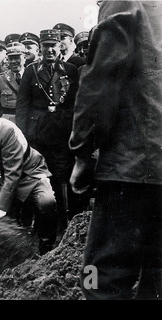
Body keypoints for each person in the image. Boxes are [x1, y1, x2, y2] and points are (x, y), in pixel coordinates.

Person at [69, 0, 162, 300]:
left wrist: (83, 152)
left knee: (100, 276)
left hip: (133, 165)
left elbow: (100, 81)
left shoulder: (126, 3)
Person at [0, 98, 57, 279]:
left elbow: (13, 173)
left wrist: (1, 208)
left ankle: (46, 252)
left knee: (47, 202)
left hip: (27, 174)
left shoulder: (7, 130)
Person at [16, 29, 83, 233]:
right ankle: (42, 223)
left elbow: (76, 102)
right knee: (41, 178)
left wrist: (71, 126)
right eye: (45, 46)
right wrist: (23, 136)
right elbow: (22, 105)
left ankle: (67, 222)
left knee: (64, 177)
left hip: (62, 134)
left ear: (59, 46)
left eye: (53, 45)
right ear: (41, 48)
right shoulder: (31, 70)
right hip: (38, 135)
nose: (49, 49)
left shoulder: (71, 70)